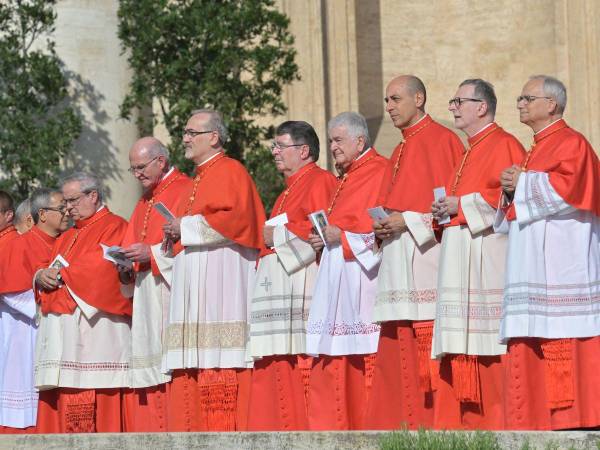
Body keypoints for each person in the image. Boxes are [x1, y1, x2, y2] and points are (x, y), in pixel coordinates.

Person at [496, 75, 600, 430]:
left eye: (527, 97)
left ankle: (576, 418)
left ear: (551, 104)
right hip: (533, 259)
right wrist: (513, 187)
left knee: (564, 331)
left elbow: (571, 189)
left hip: (561, 259)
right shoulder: (537, 146)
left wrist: (521, 183)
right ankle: (536, 417)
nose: (520, 103)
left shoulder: (572, 142)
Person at [365, 75, 463, 429]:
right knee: (396, 340)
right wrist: (382, 226)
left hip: (425, 258)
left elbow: (446, 209)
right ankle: (398, 422)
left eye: (395, 99)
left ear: (418, 98)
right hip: (397, 259)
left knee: (422, 338)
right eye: (387, 100)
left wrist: (404, 221)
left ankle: (431, 421)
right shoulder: (400, 147)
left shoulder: (442, 141)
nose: (388, 107)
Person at [162, 109, 266, 431]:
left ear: (214, 137)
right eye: (185, 132)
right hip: (197, 275)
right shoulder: (199, 177)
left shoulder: (231, 170)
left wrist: (185, 226)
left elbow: (236, 219)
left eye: (192, 133)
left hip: (222, 272)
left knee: (220, 353)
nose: (186, 139)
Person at [430, 79, 525, 429]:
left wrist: (461, 204)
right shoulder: (469, 150)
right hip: (461, 252)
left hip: (488, 257)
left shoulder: (505, 144)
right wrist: (445, 209)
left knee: (487, 341)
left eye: (459, 101)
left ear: (481, 107)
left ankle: (495, 419)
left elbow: (508, 202)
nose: (453, 106)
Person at [247, 121, 337, 430]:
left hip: (303, 280)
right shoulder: (287, 190)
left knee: (299, 356)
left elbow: (321, 230)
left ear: (304, 150)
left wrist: (278, 236)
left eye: (279, 146)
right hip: (282, 285)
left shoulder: (321, 181)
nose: (274, 152)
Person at [305, 111, 387, 430]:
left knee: (366, 350)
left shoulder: (378, 170)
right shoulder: (348, 175)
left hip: (363, 274)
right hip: (340, 269)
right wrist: (324, 239)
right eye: (330, 141)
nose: (333, 147)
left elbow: (381, 227)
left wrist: (344, 237)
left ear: (360, 140)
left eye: (338, 140)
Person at [34, 172, 132, 433]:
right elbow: (50, 266)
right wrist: (41, 275)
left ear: (93, 195)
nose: (68, 208)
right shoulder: (66, 236)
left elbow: (104, 268)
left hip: (97, 329)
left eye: (73, 200)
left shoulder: (116, 225)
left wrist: (64, 275)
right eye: (65, 202)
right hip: (65, 328)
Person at [119, 137, 193, 432]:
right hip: (147, 291)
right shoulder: (144, 200)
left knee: (171, 367)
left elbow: (191, 245)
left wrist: (149, 253)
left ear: (160, 161)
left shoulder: (186, 189)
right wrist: (125, 267)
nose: (137, 174)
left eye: (140, 167)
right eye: (132, 169)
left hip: (170, 291)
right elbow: (131, 244)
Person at [0, 189, 69, 433]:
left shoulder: (68, 240)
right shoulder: (18, 243)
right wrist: (43, 308)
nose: (67, 212)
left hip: (60, 327)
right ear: (42, 214)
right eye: (61, 208)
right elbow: (9, 291)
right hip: (26, 329)